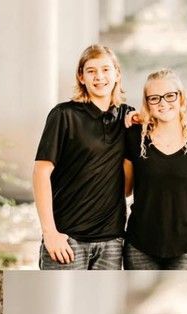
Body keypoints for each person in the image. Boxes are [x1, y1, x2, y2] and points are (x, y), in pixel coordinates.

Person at [34, 44, 134, 270]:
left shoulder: (128, 117)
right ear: (81, 76)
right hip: (67, 239)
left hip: (112, 241)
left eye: (106, 69)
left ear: (117, 73)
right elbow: (41, 172)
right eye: (91, 71)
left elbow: (127, 187)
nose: (99, 77)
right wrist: (50, 233)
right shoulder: (64, 115)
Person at [123, 70, 187, 270]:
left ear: (181, 97)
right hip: (140, 243)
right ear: (147, 103)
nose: (163, 103)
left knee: (184, 302)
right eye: (154, 98)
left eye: (170, 95)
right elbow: (125, 189)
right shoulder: (133, 138)